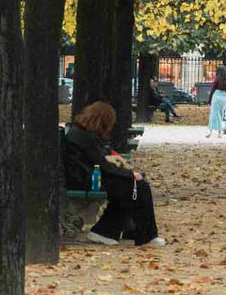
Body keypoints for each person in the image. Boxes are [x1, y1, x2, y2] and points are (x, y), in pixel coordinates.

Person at [62, 101, 164, 247]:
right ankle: (143, 235)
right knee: (137, 187)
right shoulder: (83, 136)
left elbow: (99, 162)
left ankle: (109, 231)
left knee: (137, 187)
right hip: (87, 179)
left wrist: (127, 173)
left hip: (87, 176)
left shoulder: (81, 132)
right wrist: (130, 174)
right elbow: (102, 165)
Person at [207, 66, 226, 138]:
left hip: (216, 96)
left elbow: (212, 90)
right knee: (221, 114)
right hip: (224, 96)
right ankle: (220, 132)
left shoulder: (217, 79)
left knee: (213, 113)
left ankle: (210, 131)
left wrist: (209, 100)